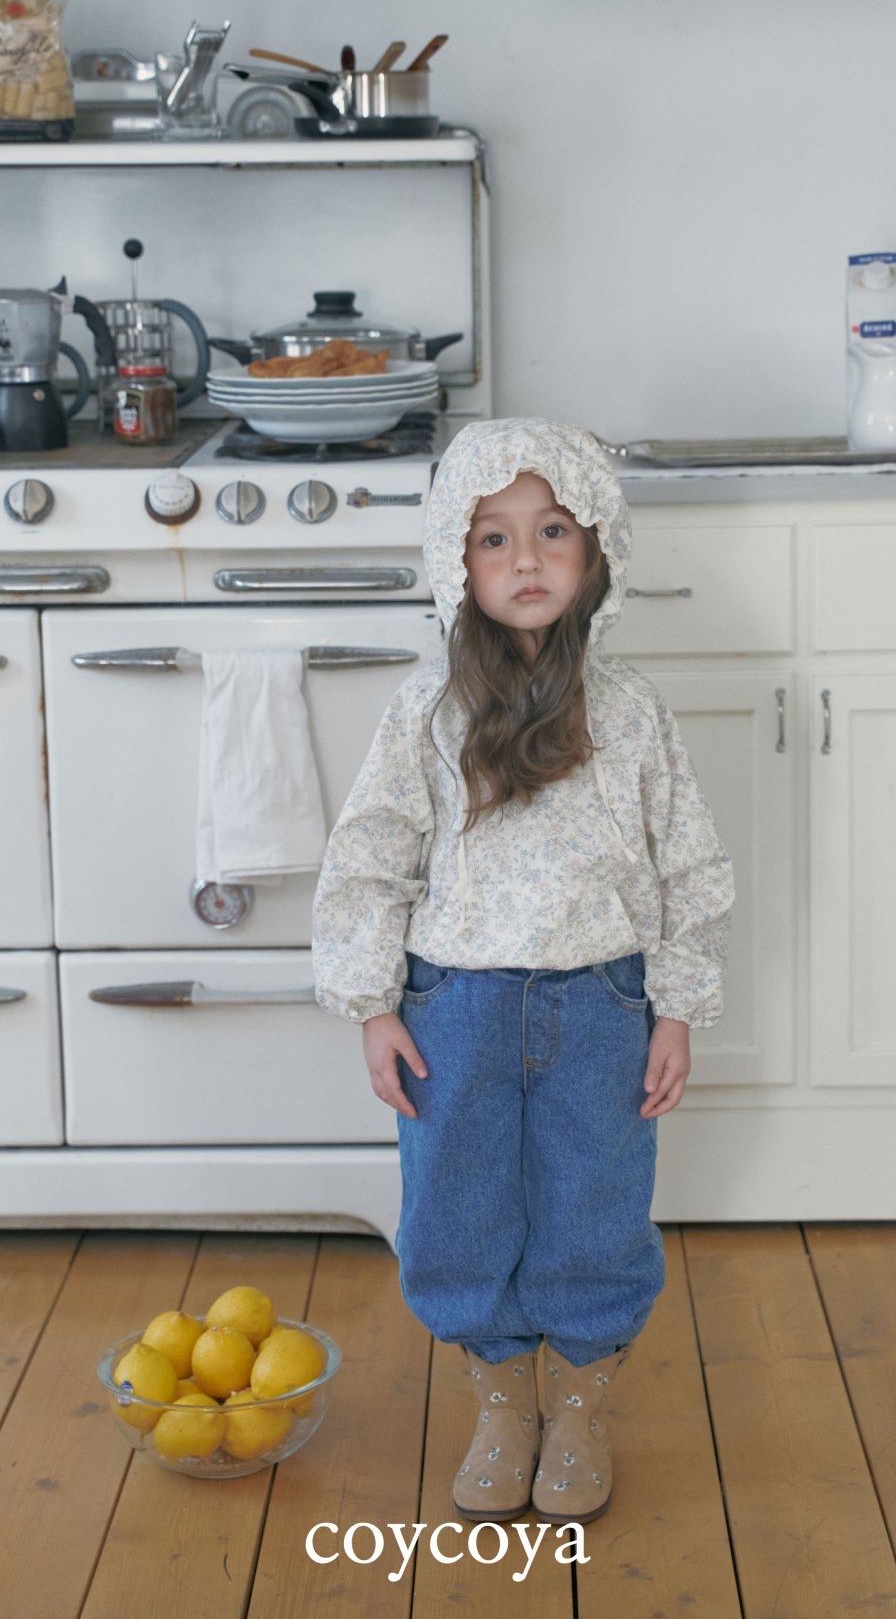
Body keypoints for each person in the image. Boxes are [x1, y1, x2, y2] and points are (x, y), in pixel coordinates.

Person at [311, 418, 734, 1526]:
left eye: (551, 532)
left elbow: (685, 862)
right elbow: (367, 862)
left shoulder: (631, 711)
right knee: (455, 1210)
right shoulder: (424, 711)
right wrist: (371, 1007)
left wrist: (676, 1008)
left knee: (593, 1205)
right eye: (493, 539)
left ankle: (580, 1408)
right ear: (455, 558)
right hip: (452, 1006)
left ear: (596, 553)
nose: (527, 560)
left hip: (603, 1002)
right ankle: (501, 1403)